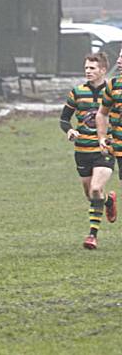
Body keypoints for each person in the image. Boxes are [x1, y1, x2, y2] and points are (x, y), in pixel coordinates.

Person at [62, 52, 117, 250]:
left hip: (105, 148)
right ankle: (108, 202)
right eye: (86, 67)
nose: (88, 71)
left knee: (95, 189)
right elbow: (64, 118)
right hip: (82, 149)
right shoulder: (77, 92)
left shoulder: (114, 90)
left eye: (92, 68)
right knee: (91, 195)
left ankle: (92, 235)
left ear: (103, 70)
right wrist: (69, 130)